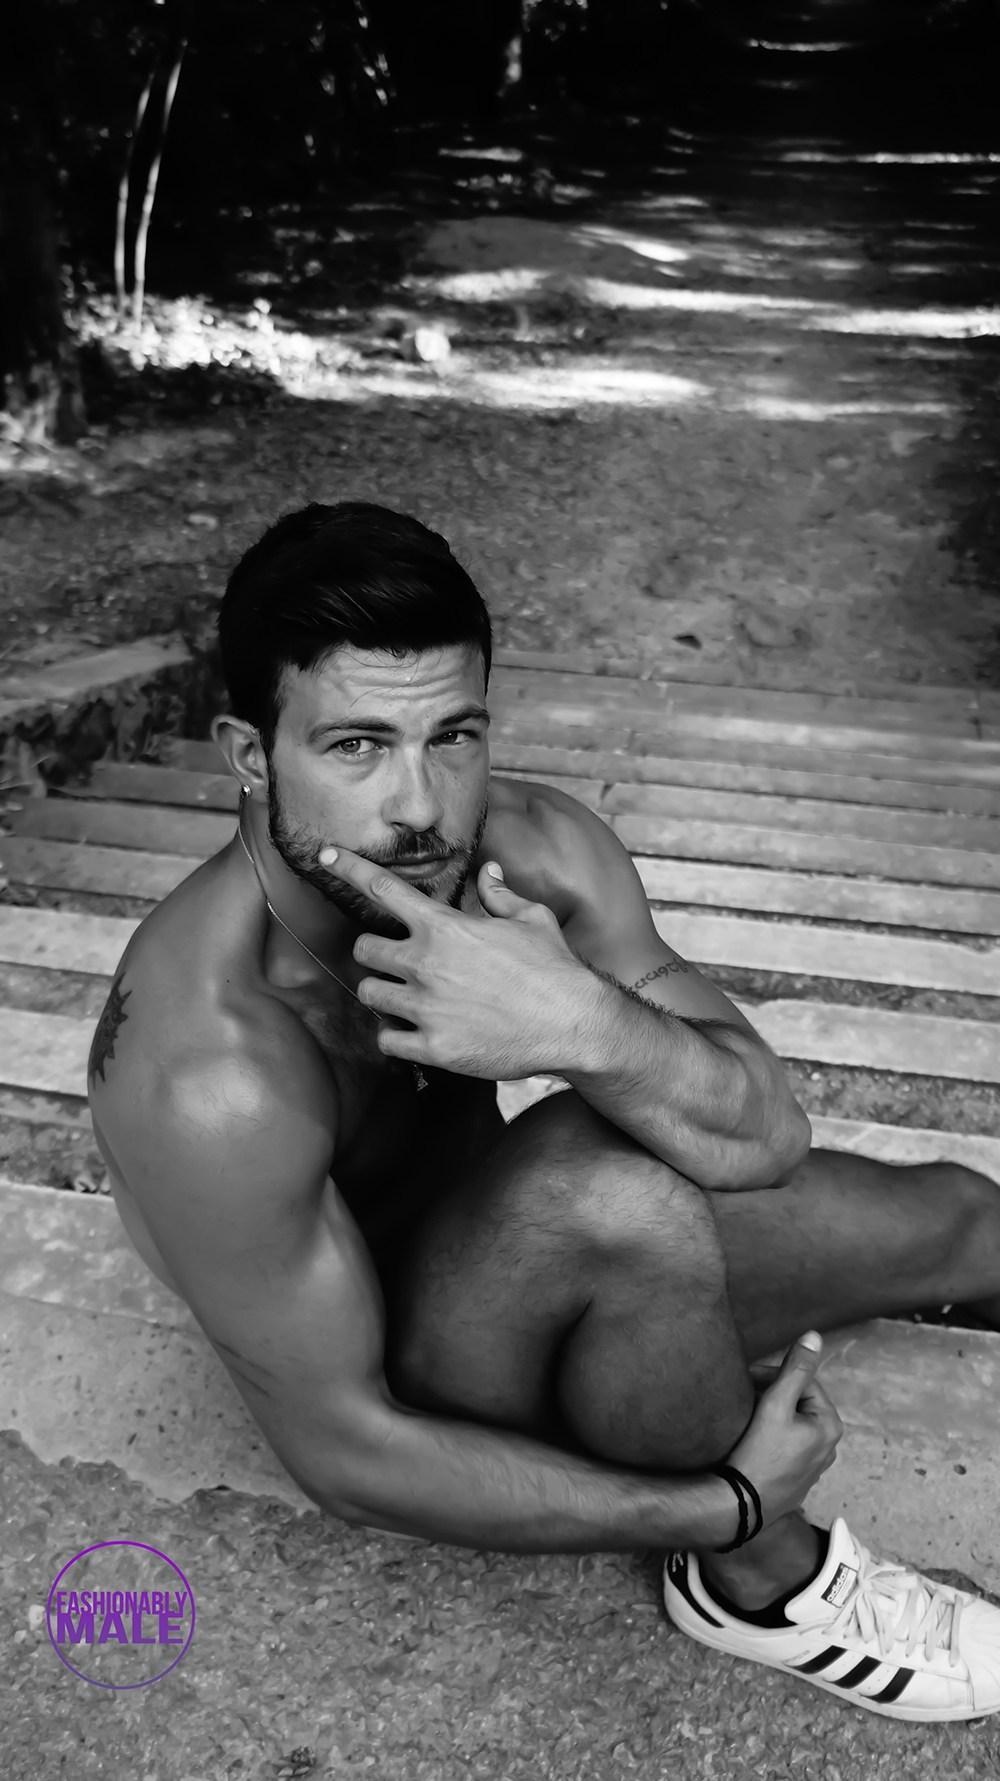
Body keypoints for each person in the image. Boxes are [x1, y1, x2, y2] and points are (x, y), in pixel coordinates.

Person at [87, 501, 1000, 1723]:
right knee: (608, 1185)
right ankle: (759, 1584)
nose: (419, 807)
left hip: (525, 1234)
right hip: (408, 1364)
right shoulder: (207, 1063)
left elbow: (762, 1135)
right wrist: (728, 1500)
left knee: (964, 1216)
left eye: (452, 735)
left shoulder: (532, 849)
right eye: (356, 745)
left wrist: (578, 1023)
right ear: (250, 755)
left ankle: (665, 1341)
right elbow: (347, 1451)